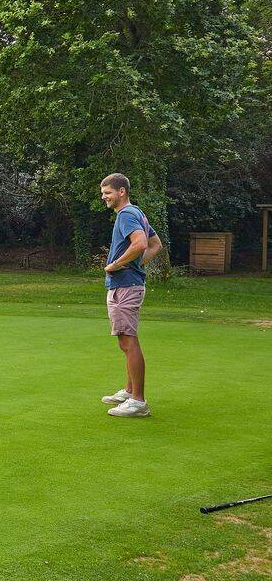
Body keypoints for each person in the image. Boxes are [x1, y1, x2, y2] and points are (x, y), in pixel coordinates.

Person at [99, 173, 162, 418]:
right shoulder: (137, 213)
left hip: (125, 285)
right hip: (129, 283)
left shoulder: (126, 214)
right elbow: (155, 244)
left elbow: (140, 244)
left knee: (127, 341)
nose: (104, 197)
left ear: (121, 191)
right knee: (126, 341)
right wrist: (137, 264)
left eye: (108, 193)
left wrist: (116, 264)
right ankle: (129, 391)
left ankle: (138, 401)